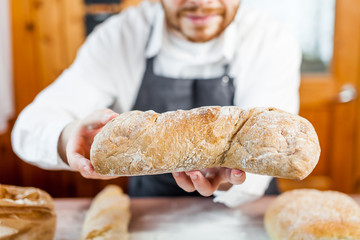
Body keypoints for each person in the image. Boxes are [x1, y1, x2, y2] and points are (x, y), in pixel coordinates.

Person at [11, 0, 301, 207]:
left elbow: (268, 149)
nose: (200, 3)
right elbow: (29, 127)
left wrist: (229, 176)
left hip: (249, 210)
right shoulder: (120, 37)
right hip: (149, 206)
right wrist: (67, 136)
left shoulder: (270, 39)